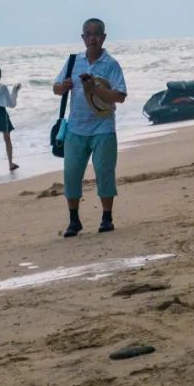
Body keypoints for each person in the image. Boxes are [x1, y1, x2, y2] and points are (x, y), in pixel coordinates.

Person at [52, 17, 127, 237]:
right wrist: (63, 86)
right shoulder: (73, 61)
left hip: (103, 126)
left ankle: (106, 217)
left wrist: (93, 88)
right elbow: (56, 88)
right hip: (76, 127)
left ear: (103, 37)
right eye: (88, 34)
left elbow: (120, 96)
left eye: (96, 34)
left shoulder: (111, 64)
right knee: (71, 174)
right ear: (83, 37)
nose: (92, 38)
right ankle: (74, 221)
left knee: (104, 172)